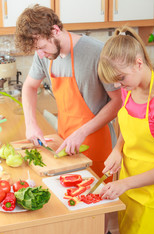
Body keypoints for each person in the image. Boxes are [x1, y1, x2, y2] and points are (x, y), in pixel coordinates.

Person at [15, 4, 121, 179]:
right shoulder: (44, 55)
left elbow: (118, 101)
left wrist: (81, 132)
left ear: (55, 30)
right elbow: (29, 87)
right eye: (36, 50)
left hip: (96, 145)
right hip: (64, 141)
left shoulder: (98, 53)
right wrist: (31, 123)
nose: (40, 54)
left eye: (41, 47)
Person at [98, 25, 154, 234]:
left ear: (138, 63)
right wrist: (118, 148)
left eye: (121, 78)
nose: (119, 85)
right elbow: (129, 126)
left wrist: (124, 183)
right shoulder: (129, 89)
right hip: (129, 189)